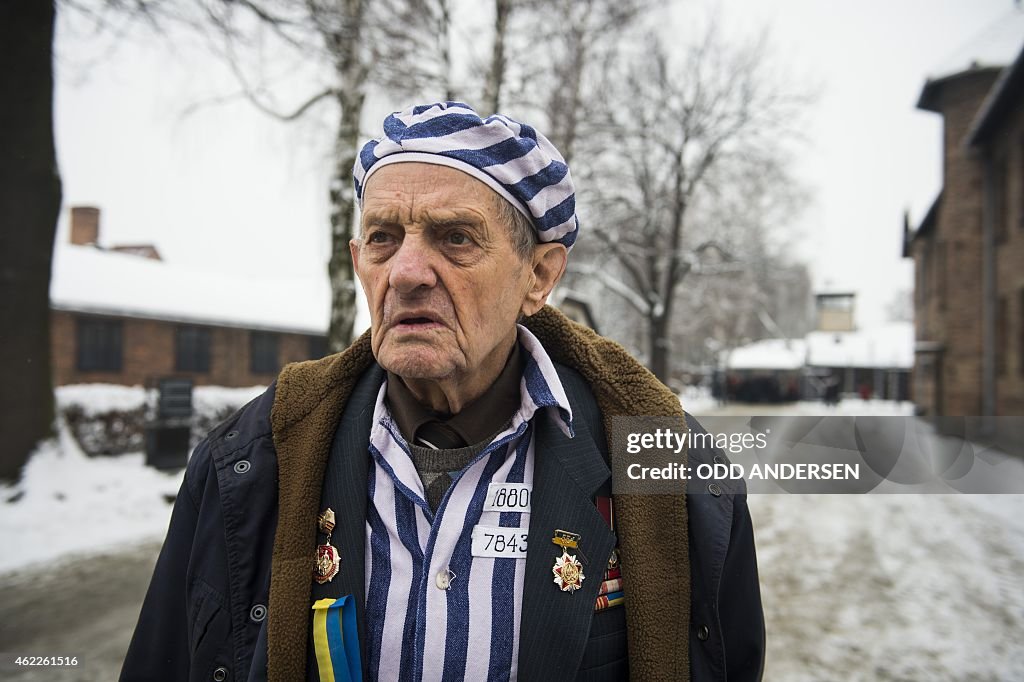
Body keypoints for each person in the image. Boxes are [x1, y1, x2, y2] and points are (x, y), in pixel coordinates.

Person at [121, 101, 764, 682]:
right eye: (383, 238)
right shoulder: (250, 461)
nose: (405, 272)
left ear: (537, 276)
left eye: (455, 237)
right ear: (358, 261)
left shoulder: (671, 469)